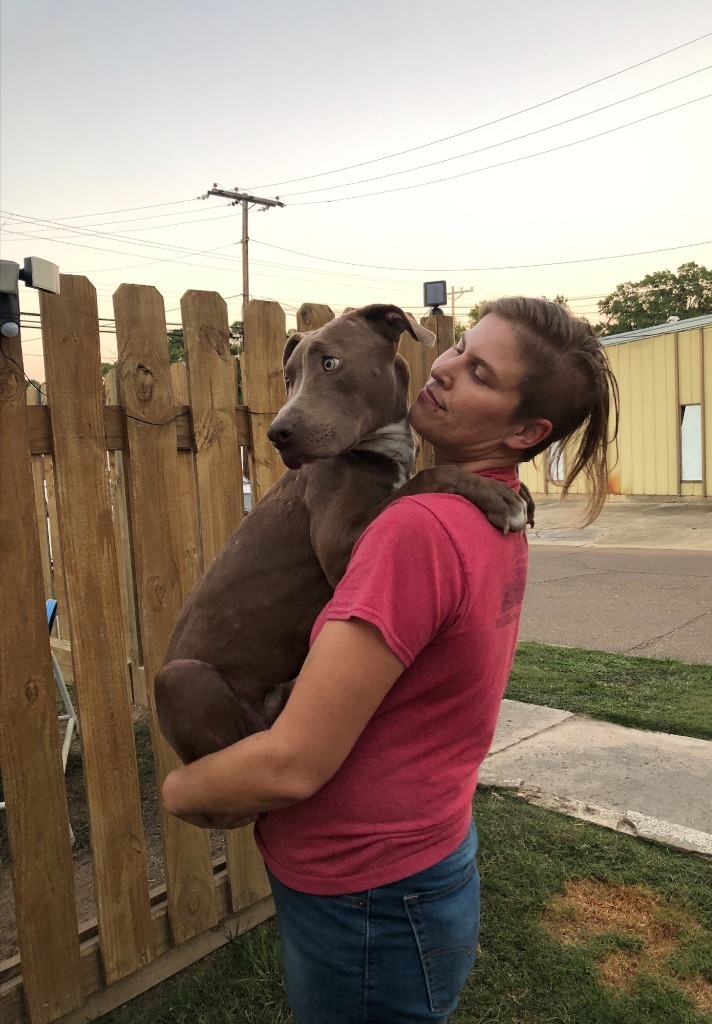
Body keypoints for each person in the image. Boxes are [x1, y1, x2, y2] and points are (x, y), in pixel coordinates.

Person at [162, 297, 619, 1023]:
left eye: (478, 373)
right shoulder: (501, 507)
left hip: (365, 892)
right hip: (426, 857)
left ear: (527, 429)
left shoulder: (416, 527)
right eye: (458, 346)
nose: (442, 369)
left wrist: (180, 793)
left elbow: (291, 763)